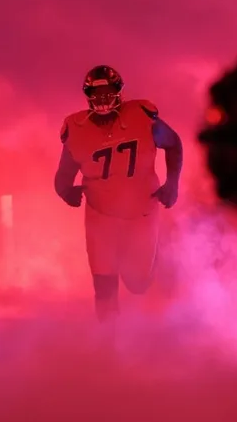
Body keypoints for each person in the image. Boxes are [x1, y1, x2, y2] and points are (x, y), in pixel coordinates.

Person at [54, 65, 182, 326]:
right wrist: (67, 192)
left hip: (141, 211)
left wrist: (172, 184)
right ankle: (108, 339)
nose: (102, 99)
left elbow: (173, 143)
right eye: (96, 93)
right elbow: (62, 177)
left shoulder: (141, 116)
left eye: (107, 92)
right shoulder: (76, 129)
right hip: (100, 216)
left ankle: (160, 253)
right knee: (104, 284)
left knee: (137, 283)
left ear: (118, 92)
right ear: (88, 95)